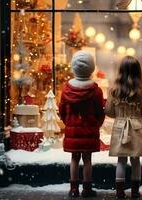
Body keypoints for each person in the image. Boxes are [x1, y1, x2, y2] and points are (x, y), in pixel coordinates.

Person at [59, 51, 105, 198]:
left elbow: (62, 110)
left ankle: (73, 189)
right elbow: (100, 111)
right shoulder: (95, 90)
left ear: (73, 67)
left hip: (72, 131)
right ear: (91, 68)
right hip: (89, 130)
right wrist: (96, 124)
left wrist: (68, 123)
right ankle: (87, 188)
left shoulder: (67, 89)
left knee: (74, 158)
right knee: (87, 159)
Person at [105, 56, 142, 199]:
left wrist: (120, 113)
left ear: (120, 71)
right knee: (136, 161)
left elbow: (110, 112)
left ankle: (119, 192)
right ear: (138, 72)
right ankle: (135, 192)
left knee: (121, 160)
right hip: (136, 128)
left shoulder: (114, 91)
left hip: (120, 127)